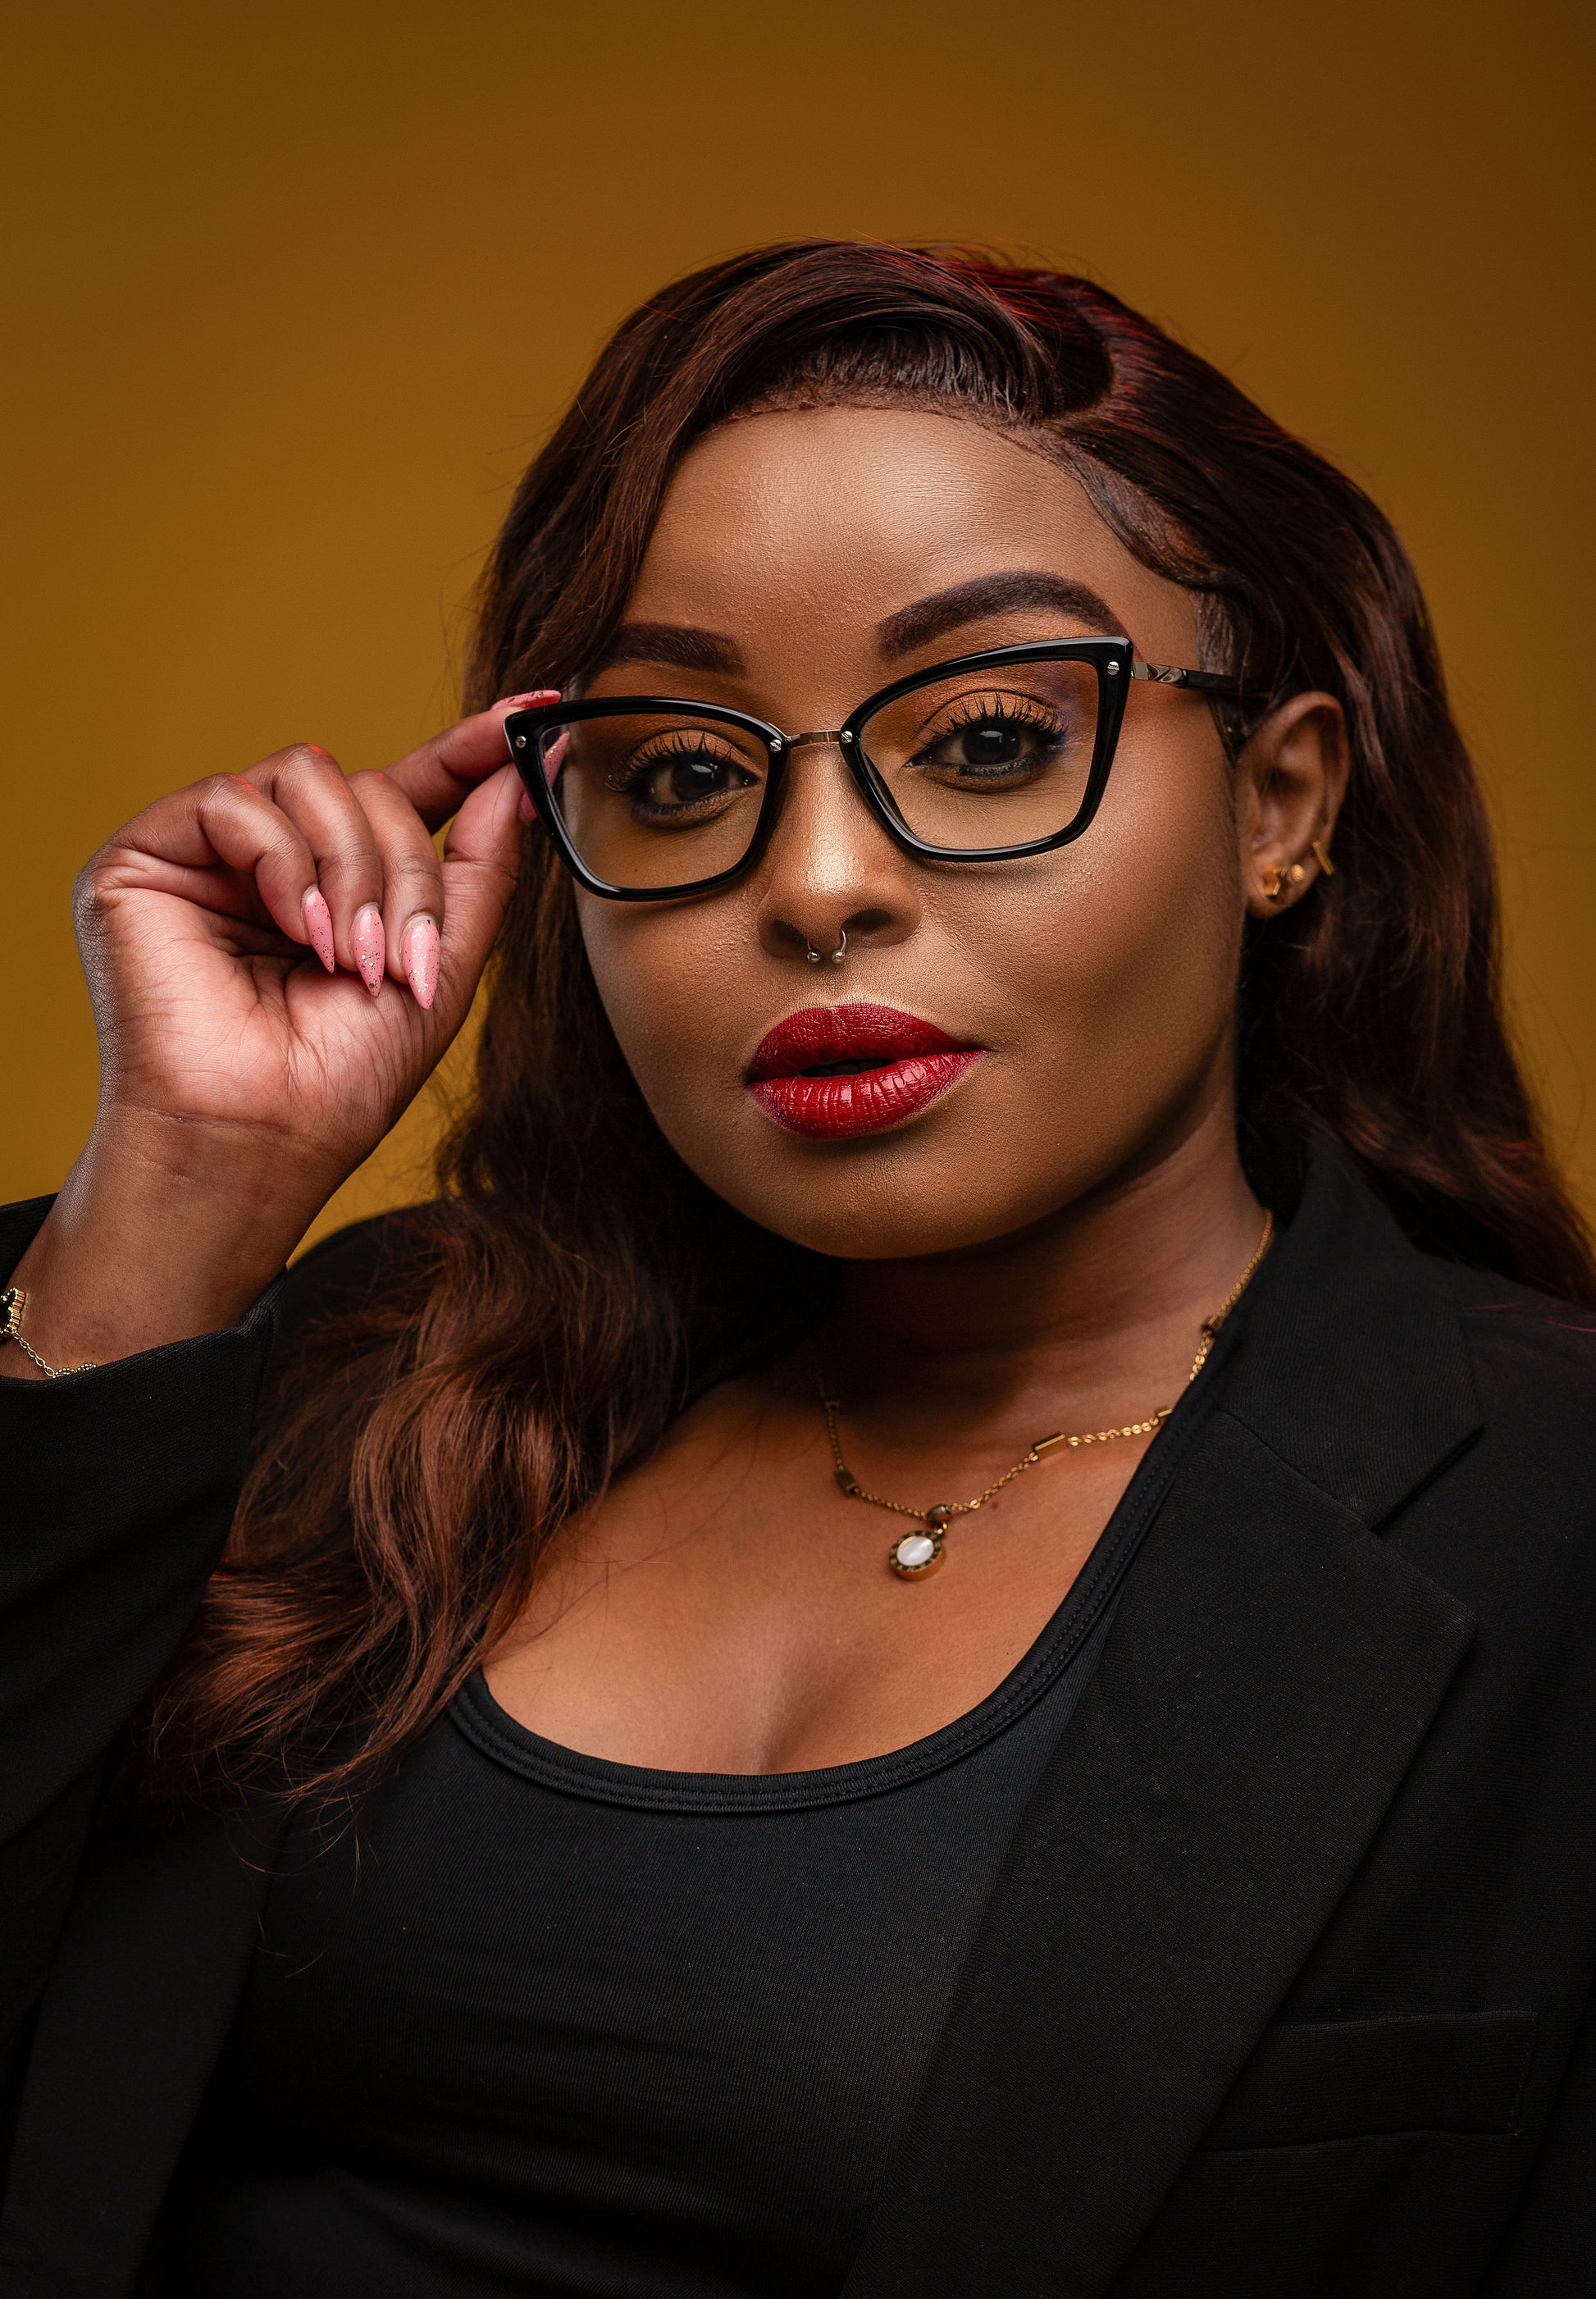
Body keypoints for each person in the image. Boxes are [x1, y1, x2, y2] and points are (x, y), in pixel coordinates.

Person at [2, 241, 1593, 2299]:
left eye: (989, 737)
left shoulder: (1540, 1512)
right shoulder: (354, 1385)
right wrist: (177, 1195)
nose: (817, 883)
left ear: (1277, 803)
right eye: (682, 773)